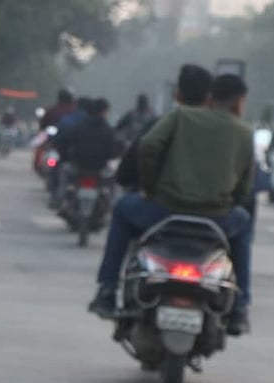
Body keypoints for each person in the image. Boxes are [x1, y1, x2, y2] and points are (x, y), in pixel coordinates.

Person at [89, 72, 255, 336]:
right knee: (244, 225)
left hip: (163, 210)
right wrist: (231, 199)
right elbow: (246, 184)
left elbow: (149, 146)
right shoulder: (244, 132)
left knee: (121, 210)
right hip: (217, 217)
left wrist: (151, 187)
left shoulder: (181, 117)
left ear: (211, 97)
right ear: (239, 102)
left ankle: (108, 289)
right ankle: (239, 306)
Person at [115, 64, 212, 192]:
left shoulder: (158, 124)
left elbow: (124, 175)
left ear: (177, 95)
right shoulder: (226, 131)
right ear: (209, 97)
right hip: (210, 206)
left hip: (161, 202)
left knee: (124, 206)